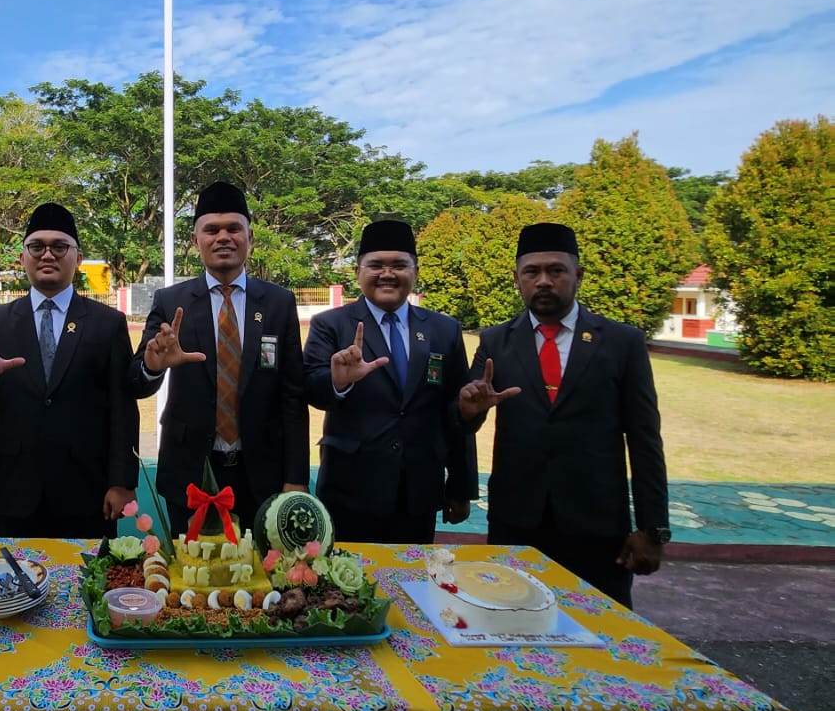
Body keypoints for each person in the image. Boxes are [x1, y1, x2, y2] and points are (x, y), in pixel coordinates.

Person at [459, 221, 671, 607]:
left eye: (555, 270)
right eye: (532, 272)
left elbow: (644, 439)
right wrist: (468, 410)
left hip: (597, 523)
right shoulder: (495, 341)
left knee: (603, 631)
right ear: (517, 278)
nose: (543, 281)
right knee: (509, 623)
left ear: (578, 276)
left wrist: (652, 529)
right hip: (516, 520)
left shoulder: (622, 342)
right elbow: (468, 415)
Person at [131, 182, 308, 535]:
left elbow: (293, 395)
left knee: (260, 581)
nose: (223, 237)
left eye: (233, 228)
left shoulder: (277, 303)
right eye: (211, 230)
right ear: (196, 241)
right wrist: (153, 364)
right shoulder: (171, 301)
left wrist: (296, 478)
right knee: (189, 581)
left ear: (249, 236)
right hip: (190, 472)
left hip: (261, 474)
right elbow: (135, 381)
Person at [0, 202, 138, 538]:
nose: (48, 255)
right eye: (37, 247)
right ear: (22, 257)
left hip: (88, 490)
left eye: (59, 247)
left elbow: (123, 408)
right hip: (17, 491)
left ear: (78, 258)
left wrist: (122, 481)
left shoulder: (107, 324)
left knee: (87, 586)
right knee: (15, 587)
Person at [304, 219, 476, 544]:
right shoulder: (331, 325)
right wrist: (338, 382)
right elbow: (310, 386)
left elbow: (457, 408)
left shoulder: (444, 329)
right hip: (350, 490)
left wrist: (460, 486)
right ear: (358, 272)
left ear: (415, 271)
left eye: (399, 265)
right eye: (376, 265)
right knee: (344, 588)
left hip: (418, 492)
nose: (387, 273)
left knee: (414, 585)